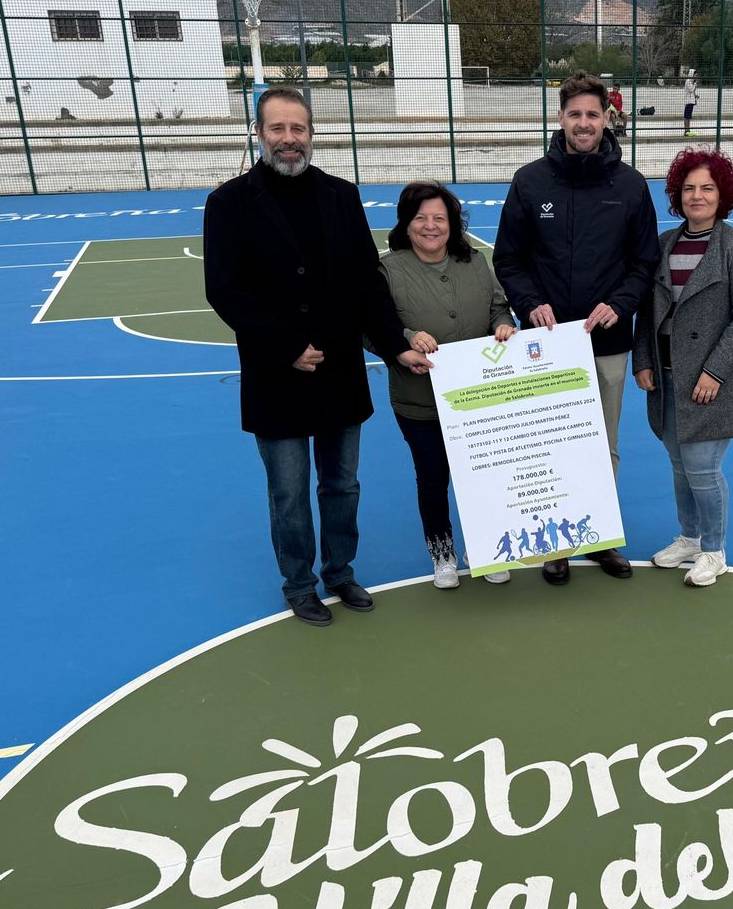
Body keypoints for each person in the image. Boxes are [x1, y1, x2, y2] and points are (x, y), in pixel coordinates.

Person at [203, 86, 424, 626]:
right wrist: (285, 347)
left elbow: (368, 284)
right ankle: (299, 582)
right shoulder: (228, 203)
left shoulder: (341, 195)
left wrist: (396, 345)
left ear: (311, 134)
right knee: (288, 490)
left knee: (342, 483)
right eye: (277, 129)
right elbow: (225, 290)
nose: (288, 140)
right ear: (259, 134)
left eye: (297, 129)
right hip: (276, 374)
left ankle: (340, 572)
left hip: (340, 374)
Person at [495, 72, 661, 586]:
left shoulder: (630, 186)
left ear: (606, 119)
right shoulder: (530, 181)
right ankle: (558, 542)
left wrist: (620, 302)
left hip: (606, 342)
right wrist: (530, 303)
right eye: (575, 114)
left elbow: (645, 262)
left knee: (603, 446)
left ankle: (601, 537)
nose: (584, 123)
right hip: (545, 347)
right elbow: (509, 259)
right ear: (561, 118)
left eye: (593, 114)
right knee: (553, 447)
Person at [633, 148, 733, 588]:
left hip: (709, 382)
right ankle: (689, 537)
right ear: (677, 194)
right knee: (678, 464)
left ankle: (714, 549)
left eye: (707, 187)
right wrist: (644, 360)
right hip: (666, 378)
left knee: (703, 469)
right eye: (689, 188)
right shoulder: (666, 244)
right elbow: (647, 310)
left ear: (722, 193)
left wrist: (715, 372)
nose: (697, 195)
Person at [379, 181, 516, 589]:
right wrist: (404, 340)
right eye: (420, 218)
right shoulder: (387, 268)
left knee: (484, 474)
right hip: (418, 400)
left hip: (479, 397)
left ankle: (489, 547)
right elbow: (372, 328)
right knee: (433, 477)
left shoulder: (474, 261)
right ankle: (442, 553)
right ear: (406, 223)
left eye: (439, 217)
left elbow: (497, 304)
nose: (430, 226)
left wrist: (502, 324)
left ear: (452, 223)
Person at [683, 69, 700, 137]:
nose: (696, 76)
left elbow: (693, 91)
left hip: (691, 101)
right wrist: (695, 84)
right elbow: (691, 90)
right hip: (688, 101)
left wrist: (695, 95)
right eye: (695, 75)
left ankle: (688, 130)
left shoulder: (692, 82)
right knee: (686, 116)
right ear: (691, 74)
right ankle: (686, 131)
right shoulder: (688, 81)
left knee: (689, 116)